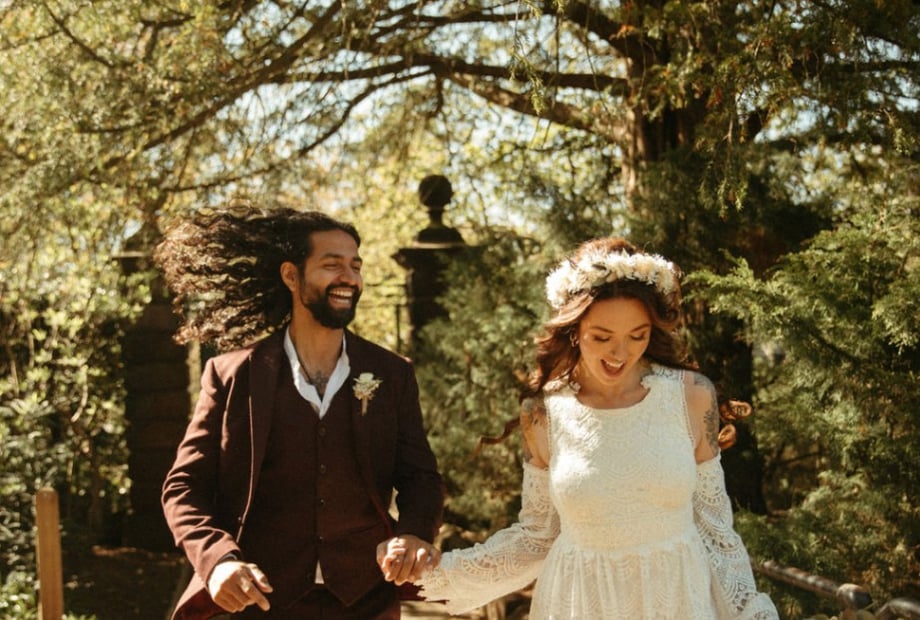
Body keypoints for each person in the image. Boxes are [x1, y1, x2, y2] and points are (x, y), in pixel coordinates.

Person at [379, 237, 778, 619]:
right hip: (579, 599)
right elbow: (537, 537)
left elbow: (715, 531)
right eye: (602, 337)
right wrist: (438, 569)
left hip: (677, 597)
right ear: (573, 329)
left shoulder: (691, 396)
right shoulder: (544, 412)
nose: (620, 352)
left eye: (637, 335)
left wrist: (749, 610)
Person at [156, 203, 444, 619]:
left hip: (365, 599)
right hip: (259, 601)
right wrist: (218, 561)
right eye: (332, 265)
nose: (349, 277)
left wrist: (415, 533)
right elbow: (183, 488)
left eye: (355, 266)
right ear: (291, 275)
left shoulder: (392, 373)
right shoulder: (232, 375)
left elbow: (421, 477)